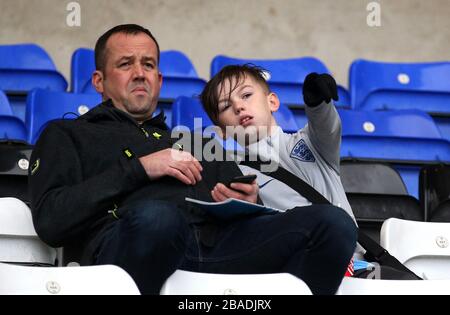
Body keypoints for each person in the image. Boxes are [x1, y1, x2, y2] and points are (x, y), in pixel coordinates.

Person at [29, 24, 357, 295]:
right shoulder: (66, 133)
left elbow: (244, 205)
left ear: (159, 80)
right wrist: (140, 168)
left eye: (149, 64)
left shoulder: (197, 142)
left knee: (333, 224)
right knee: (159, 218)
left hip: (217, 248)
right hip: (132, 248)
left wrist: (248, 199)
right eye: (126, 64)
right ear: (99, 81)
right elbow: (51, 221)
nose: (140, 73)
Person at [200, 64, 364, 261]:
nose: (238, 106)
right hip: (294, 269)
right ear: (222, 131)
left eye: (246, 95)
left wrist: (318, 104)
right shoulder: (231, 173)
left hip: (355, 264)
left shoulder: (312, 143)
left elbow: (326, 126)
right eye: (226, 106)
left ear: (273, 102)